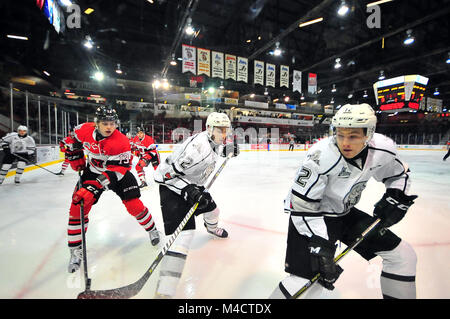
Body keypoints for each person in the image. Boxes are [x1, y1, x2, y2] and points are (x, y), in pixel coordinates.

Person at [269, 103, 418, 299]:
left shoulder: (383, 149)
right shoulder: (320, 156)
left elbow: (399, 175)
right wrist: (320, 244)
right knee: (306, 281)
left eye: (353, 136)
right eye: (340, 134)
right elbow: (302, 206)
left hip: (345, 215)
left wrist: (396, 196)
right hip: (311, 217)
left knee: (403, 256)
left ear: (369, 134)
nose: (345, 142)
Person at [64, 105, 160, 273]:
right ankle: (75, 252)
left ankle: (152, 229)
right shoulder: (84, 130)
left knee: (134, 206)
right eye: (105, 123)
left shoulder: (121, 142)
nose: (109, 127)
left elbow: (118, 171)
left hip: (118, 175)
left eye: (112, 123)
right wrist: (75, 154)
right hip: (92, 171)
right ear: (96, 123)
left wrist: (94, 187)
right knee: (77, 208)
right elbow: (72, 139)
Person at [152, 112, 239, 298]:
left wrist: (226, 150)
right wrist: (188, 190)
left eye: (226, 130)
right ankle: (164, 291)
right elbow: (163, 176)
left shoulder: (210, 141)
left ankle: (211, 228)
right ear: (209, 129)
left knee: (214, 211)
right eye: (220, 130)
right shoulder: (197, 150)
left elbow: (214, 150)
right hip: (172, 189)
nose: (224, 134)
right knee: (183, 238)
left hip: (193, 187)